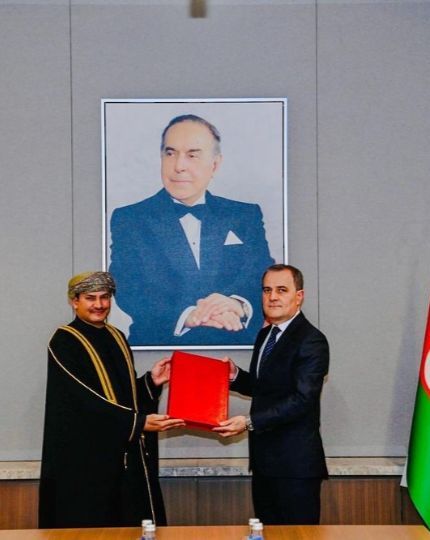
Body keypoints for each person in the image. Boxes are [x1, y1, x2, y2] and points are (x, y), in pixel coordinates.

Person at [109, 114, 275, 347]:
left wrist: (237, 304)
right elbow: (128, 287)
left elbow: (260, 274)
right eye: (170, 153)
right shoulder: (129, 218)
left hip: (239, 346)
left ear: (215, 164)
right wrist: (188, 316)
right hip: (157, 348)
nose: (179, 166)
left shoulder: (245, 215)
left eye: (192, 155)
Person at [38, 271, 184, 528]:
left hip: (122, 455)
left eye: (105, 297)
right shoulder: (64, 341)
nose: (99, 305)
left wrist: (151, 382)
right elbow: (84, 400)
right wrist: (138, 423)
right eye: (90, 298)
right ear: (74, 301)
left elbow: (122, 395)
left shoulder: (116, 336)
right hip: (86, 462)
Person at [214, 264, 329, 525]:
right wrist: (234, 375)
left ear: (299, 296)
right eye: (267, 290)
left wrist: (249, 422)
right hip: (264, 463)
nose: (273, 297)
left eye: (281, 290)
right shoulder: (266, 334)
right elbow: (263, 388)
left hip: (295, 467)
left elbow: (303, 399)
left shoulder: (312, 340)